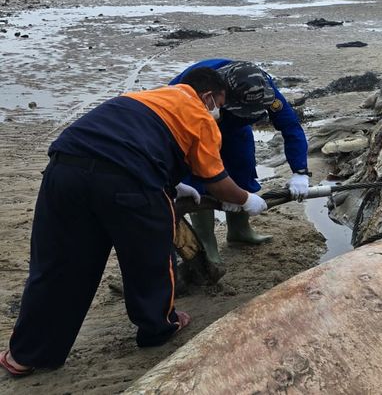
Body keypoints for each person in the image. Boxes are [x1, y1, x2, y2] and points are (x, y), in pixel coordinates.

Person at [0, 68, 266, 377]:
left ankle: (26, 354)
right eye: (220, 102)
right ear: (208, 96)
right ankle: (159, 328)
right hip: (130, 180)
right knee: (150, 257)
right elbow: (217, 183)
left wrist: (172, 182)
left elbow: (136, 140)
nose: (220, 111)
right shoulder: (201, 115)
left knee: (58, 264)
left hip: (64, 170)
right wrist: (248, 200)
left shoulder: (147, 97)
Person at [170, 59, 309, 271]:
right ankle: (207, 244)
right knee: (199, 181)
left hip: (235, 127)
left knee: (242, 169)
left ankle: (239, 231)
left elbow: (290, 126)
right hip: (197, 125)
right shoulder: (191, 88)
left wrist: (300, 171)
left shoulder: (262, 87)